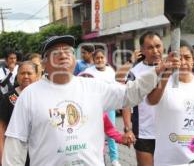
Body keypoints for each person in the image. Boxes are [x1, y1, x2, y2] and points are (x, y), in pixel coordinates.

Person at [2, 35, 179, 166]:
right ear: (45, 63)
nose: (63, 55)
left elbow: (130, 94)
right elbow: (16, 146)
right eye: (56, 52)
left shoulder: (93, 87)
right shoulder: (29, 95)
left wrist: (158, 70)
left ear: (74, 59)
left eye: (68, 51)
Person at [147, 40, 194, 166]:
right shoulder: (163, 82)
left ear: (193, 60)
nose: (183, 63)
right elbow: (151, 101)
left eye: (187, 58)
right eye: (178, 58)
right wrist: (166, 71)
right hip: (169, 160)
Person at [122, 31, 164, 166]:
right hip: (144, 132)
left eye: (158, 46)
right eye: (150, 47)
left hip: (168, 130)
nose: (155, 51)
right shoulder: (134, 72)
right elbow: (127, 101)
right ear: (142, 50)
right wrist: (128, 129)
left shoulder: (172, 69)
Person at [82, 49, 121, 166]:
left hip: (109, 108)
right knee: (95, 134)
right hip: (94, 108)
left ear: (105, 59)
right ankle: (98, 157)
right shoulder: (88, 71)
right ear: (93, 60)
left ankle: (114, 159)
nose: (99, 60)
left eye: (101, 57)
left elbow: (116, 88)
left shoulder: (110, 71)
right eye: (97, 58)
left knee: (111, 133)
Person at [0, 61, 39, 166]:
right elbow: (2, 128)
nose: (26, 76)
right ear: (17, 76)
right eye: (22, 73)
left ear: (37, 76)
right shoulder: (8, 98)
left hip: (39, 151)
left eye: (29, 73)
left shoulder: (43, 96)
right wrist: (2, 154)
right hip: (16, 151)